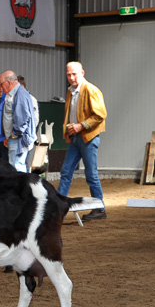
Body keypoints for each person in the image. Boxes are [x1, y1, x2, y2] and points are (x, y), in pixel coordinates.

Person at [58, 61, 108, 220]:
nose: (71, 77)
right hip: (75, 138)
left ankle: (100, 209)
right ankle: (57, 207)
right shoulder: (70, 91)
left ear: (82, 73)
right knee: (66, 172)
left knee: (91, 174)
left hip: (88, 137)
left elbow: (100, 115)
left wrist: (81, 126)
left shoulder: (91, 90)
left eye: (74, 74)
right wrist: (71, 129)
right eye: (68, 74)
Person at [0, 71, 37, 173]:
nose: (1, 87)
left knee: (16, 168)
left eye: (1, 84)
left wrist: (14, 135)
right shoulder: (14, 94)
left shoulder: (19, 94)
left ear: (8, 82)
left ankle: (21, 189)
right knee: (17, 167)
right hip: (15, 138)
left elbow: (22, 119)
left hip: (18, 139)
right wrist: (8, 136)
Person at [17, 75, 40, 171]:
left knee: (23, 163)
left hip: (26, 138)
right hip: (17, 137)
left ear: (22, 86)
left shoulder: (31, 100)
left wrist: (26, 134)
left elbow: (35, 120)